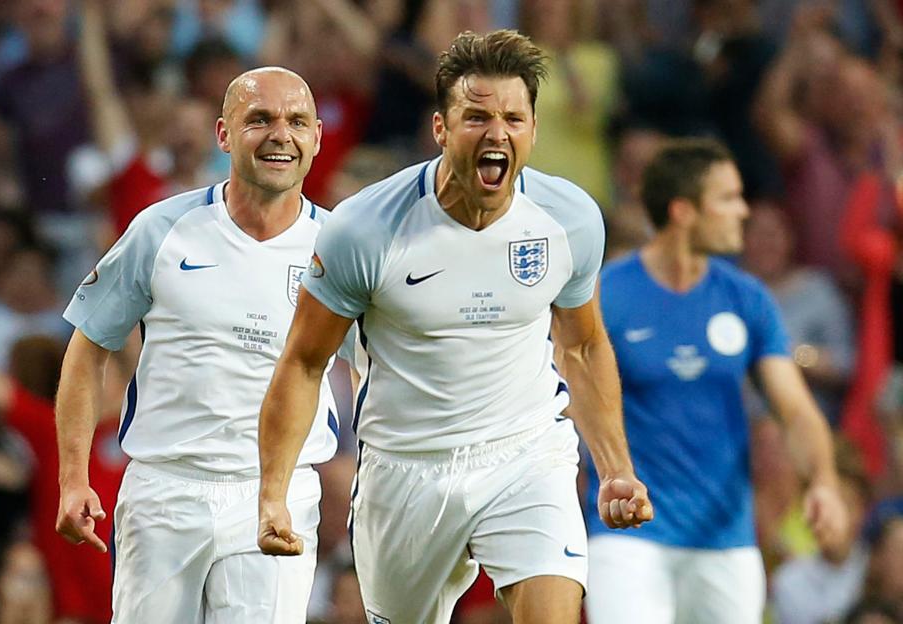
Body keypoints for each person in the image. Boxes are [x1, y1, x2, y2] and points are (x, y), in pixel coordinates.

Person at [256, 29, 652, 624]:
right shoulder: (365, 230)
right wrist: (273, 495)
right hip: (406, 468)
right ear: (440, 129)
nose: (498, 134)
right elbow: (304, 363)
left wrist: (616, 468)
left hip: (525, 453)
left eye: (514, 118)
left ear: (533, 131)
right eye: (477, 117)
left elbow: (583, 344)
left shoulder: (568, 220)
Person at [54, 67, 343, 623]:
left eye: (297, 122)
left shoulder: (340, 247)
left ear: (317, 139)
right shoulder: (161, 229)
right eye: (259, 119)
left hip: (276, 496)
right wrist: (74, 479)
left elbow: (375, 373)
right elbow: (88, 347)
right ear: (224, 135)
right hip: (164, 492)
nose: (280, 134)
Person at [586, 138, 848, 623]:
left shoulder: (747, 299)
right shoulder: (608, 296)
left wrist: (825, 482)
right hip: (628, 539)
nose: (743, 211)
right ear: (684, 211)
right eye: (727, 198)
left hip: (726, 540)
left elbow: (796, 409)